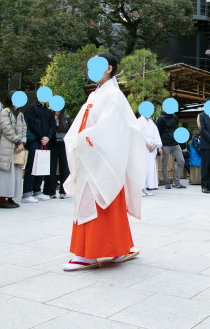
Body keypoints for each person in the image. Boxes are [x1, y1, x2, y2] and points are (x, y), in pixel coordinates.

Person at [62, 52, 146, 271]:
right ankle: (116, 249)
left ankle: (90, 254)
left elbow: (113, 127)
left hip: (100, 156)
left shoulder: (114, 95)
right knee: (97, 202)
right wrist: (76, 139)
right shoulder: (96, 94)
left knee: (96, 201)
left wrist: (88, 139)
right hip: (91, 153)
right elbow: (84, 121)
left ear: (109, 68)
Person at [0, 92, 27, 208]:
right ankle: (2, 199)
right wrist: (18, 141)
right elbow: (6, 129)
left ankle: (11, 198)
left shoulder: (20, 114)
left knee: (15, 174)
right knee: (4, 174)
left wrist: (22, 142)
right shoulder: (5, 112)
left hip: (16, 147)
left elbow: (24, 128)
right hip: (5, 146)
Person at [22, 96, 54, 203]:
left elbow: (52, 125)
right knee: (31, 166)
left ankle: (37, 190)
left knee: (41, 165)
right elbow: (31, 123)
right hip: (35, 141)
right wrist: (41, 137)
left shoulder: (48, 111)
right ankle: (27, 192)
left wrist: (48, 137)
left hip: (45, 141)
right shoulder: (32, 108)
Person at [156, 111, 186, 189]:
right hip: (165, 144)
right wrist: (158, 146)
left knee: (181, 161)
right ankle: (167, 182)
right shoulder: (161, 119)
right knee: (164, 164)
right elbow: (158, 132)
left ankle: (176, 182)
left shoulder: (175, 117)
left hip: (175, 144)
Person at [44, 109, 70, 199]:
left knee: (64, 168)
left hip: (63, 144)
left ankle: (63, 191)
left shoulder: (66, 117)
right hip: (52, 143)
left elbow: (69, 130)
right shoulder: (49, 116)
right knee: (51, 167)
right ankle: (50, 191)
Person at [136, 112, 162, 196]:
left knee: (149, 168)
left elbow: (156, 135)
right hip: (143, 147)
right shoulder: (138, 121)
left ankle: (145, 188)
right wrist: (147, 144)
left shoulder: (151, 123)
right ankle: (139, 189)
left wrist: (155, 145)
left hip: (152, 147)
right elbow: (139, 134)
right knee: (142, 168)